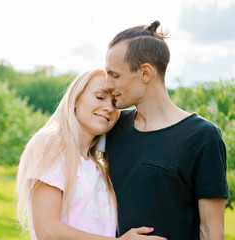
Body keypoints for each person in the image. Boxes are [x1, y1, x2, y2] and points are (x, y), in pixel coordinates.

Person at [103, 20, 229, 240]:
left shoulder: (202, 137)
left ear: (145, 73)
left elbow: (211, 231)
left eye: (115, 75)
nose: (107, 84)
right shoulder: (113, 126)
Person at [16, 69, 167, 240]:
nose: (109, 108)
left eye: (115, 102)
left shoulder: (99, 166)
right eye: (100, 97)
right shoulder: (52, 143)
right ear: (75, 98)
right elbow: (47, 231)